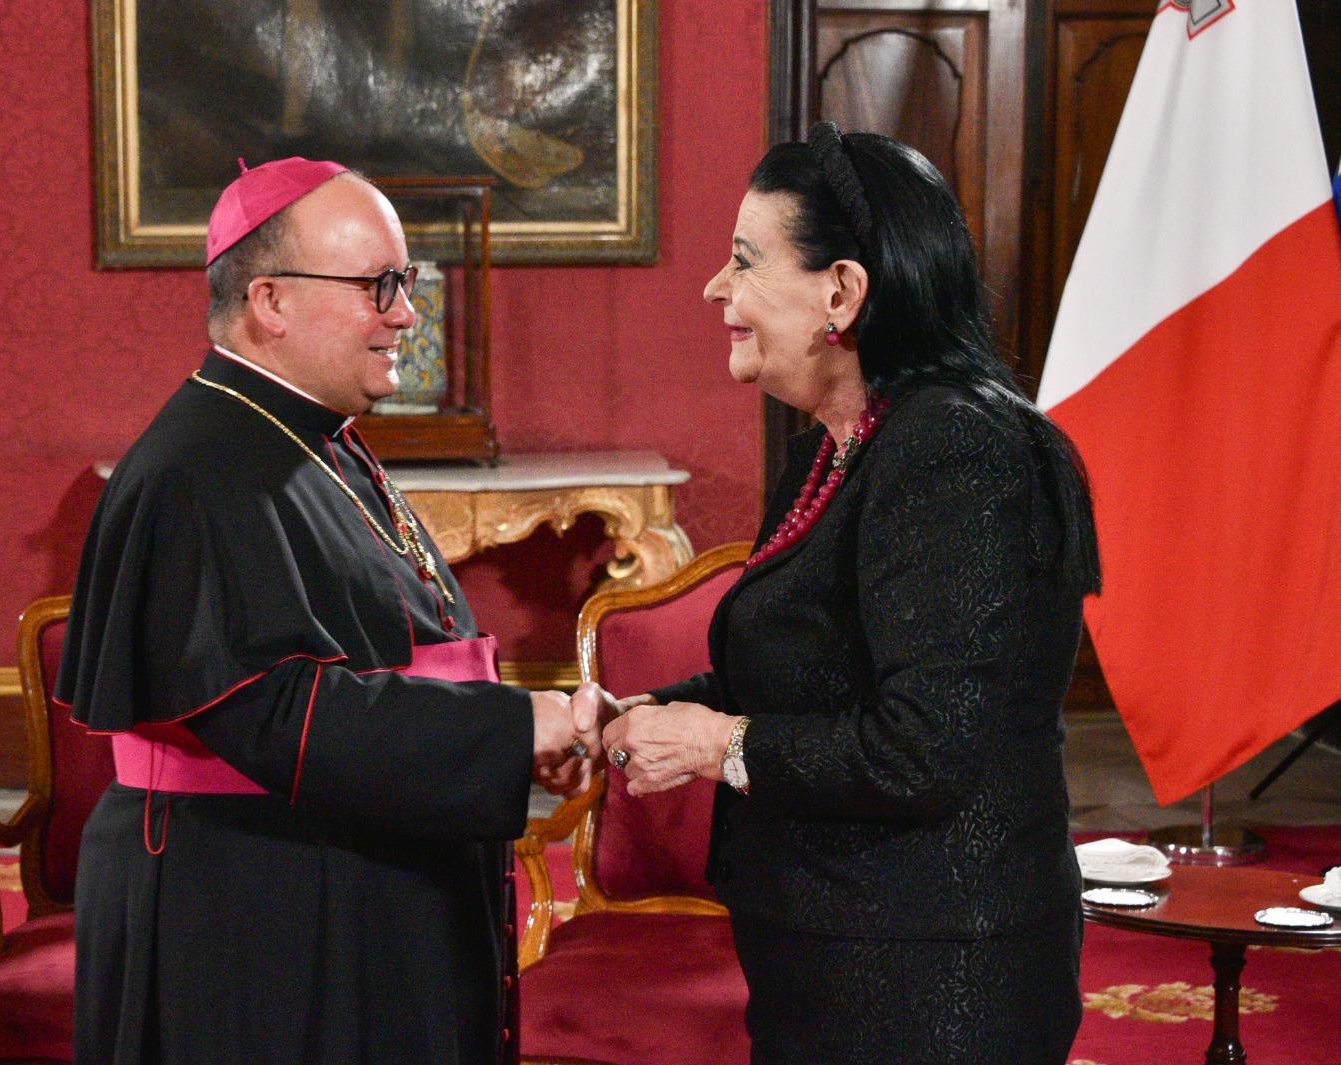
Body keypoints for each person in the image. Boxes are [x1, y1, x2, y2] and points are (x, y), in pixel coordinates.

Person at [56, 157, 599, 1065]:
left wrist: (517, 735)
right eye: (378, 285)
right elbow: (274, 712)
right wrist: (514, 728)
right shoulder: (198, 471)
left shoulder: (307, 436)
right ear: (269, 300)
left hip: (331, 873)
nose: (407, 313)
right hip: (253, 910)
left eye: (407, 282)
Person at [589, 123, 1102, 1064]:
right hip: (839, 955)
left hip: (932, 979)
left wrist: (717, 743)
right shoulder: (838, 441)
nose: (717, 289)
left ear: (842, 292)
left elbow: (925, 745)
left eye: (744, 261)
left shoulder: (955, 451)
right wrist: (650, 713)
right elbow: (807, 677)